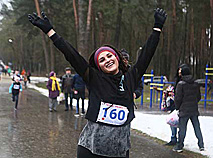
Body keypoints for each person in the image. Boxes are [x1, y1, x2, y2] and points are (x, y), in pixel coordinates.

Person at [28, 8, 167, 158]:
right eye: (102, 60)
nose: (107, 60)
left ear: (117, 58)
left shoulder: (131, 77)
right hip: (91, 149)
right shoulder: (94, 79)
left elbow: (147, 54)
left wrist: (157, 28)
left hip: (119, 150)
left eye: (109, 56)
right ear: (98, 66)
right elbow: (71, 54)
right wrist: (50, 32)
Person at [173, 64, 204, 153]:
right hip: (194, 109)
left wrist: (177, 107)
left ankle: (179, 146)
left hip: (184, 110)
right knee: (197, 127)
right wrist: (194, 103)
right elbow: (198, 97)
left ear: (182, 74)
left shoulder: (181, 84)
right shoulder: (196, 83)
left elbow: (178, 98)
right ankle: (201, 145)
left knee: (182, 129)